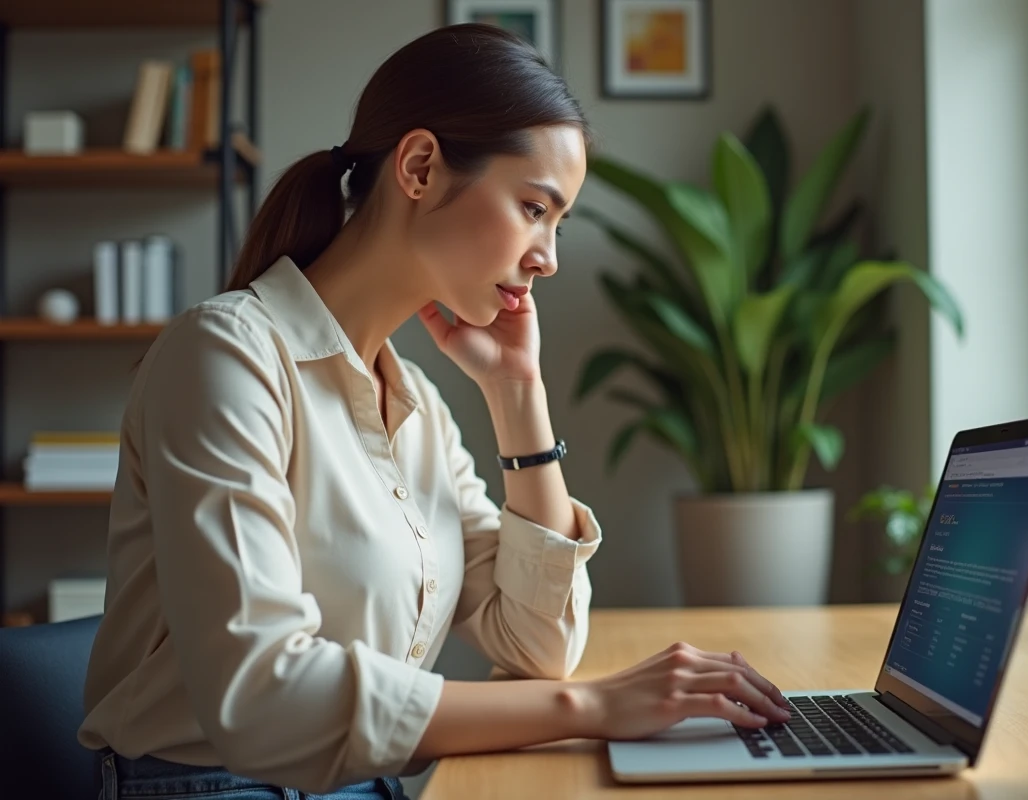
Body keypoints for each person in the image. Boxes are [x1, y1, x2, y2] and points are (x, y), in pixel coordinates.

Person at [78, 23, 792, 800]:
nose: (547, 255)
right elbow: (261, 698)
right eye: (533, 207)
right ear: (419, 167)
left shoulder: (417, 405)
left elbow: (536, 643)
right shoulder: (224, 357)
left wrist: (519, 395)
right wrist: (592, 707)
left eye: (558, 222)